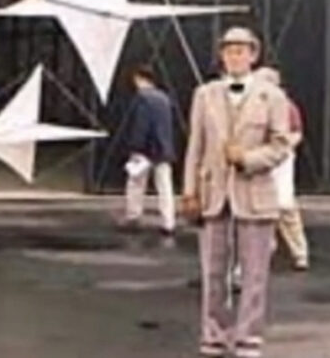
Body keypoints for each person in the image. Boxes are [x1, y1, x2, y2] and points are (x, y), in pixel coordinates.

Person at [181, 27, 293, 358]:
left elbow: (281, 145)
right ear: (222, 56)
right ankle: (213, 335)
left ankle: (248, 338)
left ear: (254, 55)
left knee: (255, 272)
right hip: (213, 194)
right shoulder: (204, 94)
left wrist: (247, 158)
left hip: (255, 195)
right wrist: (189, 192)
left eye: (241, 51)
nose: (235, 56)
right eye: (229, 51)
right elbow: (194, 147)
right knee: (212, 270)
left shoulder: (272, 96)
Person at [256, 66, 310, 271]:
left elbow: (296, 133)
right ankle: (265, 249)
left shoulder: (287, 107)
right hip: (260, 160)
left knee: (285, 206)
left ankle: (299, 253)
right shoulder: (254, 105)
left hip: (281, 161)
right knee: (262, 207)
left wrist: (284, 147)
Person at [121, 64, 176, 235]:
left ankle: (133, 216)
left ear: (138, 78)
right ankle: (168, 222)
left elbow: (141, 125)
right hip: (164, 148)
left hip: (145, 149)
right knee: (165, 187)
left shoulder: (142, 98)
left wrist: (135, 146)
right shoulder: (164, 98)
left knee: (136, 184)